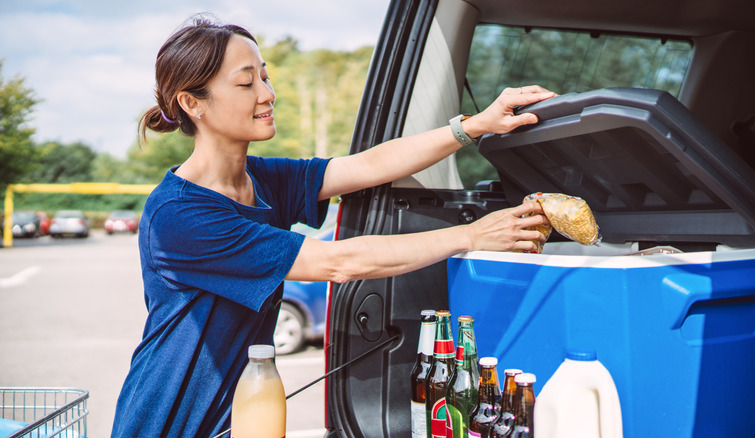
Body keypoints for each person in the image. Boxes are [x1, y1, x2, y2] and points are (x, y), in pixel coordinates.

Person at [111, 17, 555, 438]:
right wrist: (471, 235)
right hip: (170, 422)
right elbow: (337, 262)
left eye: (265, 77)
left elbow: (368, 165)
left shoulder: (261, 179)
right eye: (246, 82)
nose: (266, 93)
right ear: (192, 103)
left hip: (237, 418)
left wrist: (474, 125)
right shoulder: (181, 215)